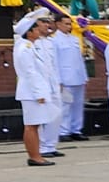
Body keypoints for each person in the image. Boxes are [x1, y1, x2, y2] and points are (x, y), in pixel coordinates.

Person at [11, 11, 58, 166]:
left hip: (34, 91)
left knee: (35, 125)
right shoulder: (25, 48)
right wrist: (39, 93)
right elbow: (30, 72)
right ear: (29, 32)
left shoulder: (30, 46)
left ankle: (37, 155)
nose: (39, 31)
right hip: (31, 92)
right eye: (36, 29)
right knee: (31, 125)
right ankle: (34, 156)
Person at [53, 14, 89, 141]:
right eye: (66, 24)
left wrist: (84, 76)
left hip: (78, 77)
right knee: (65, 106)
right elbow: (55, 62)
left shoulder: (74, 39)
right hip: (66, 79)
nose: (69, 26)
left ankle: (76, 129)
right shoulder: (54, 40)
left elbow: (79, 59)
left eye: (70, 24)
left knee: (78, 105)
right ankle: (64, 131)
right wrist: (58, 80)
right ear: (58, 24)